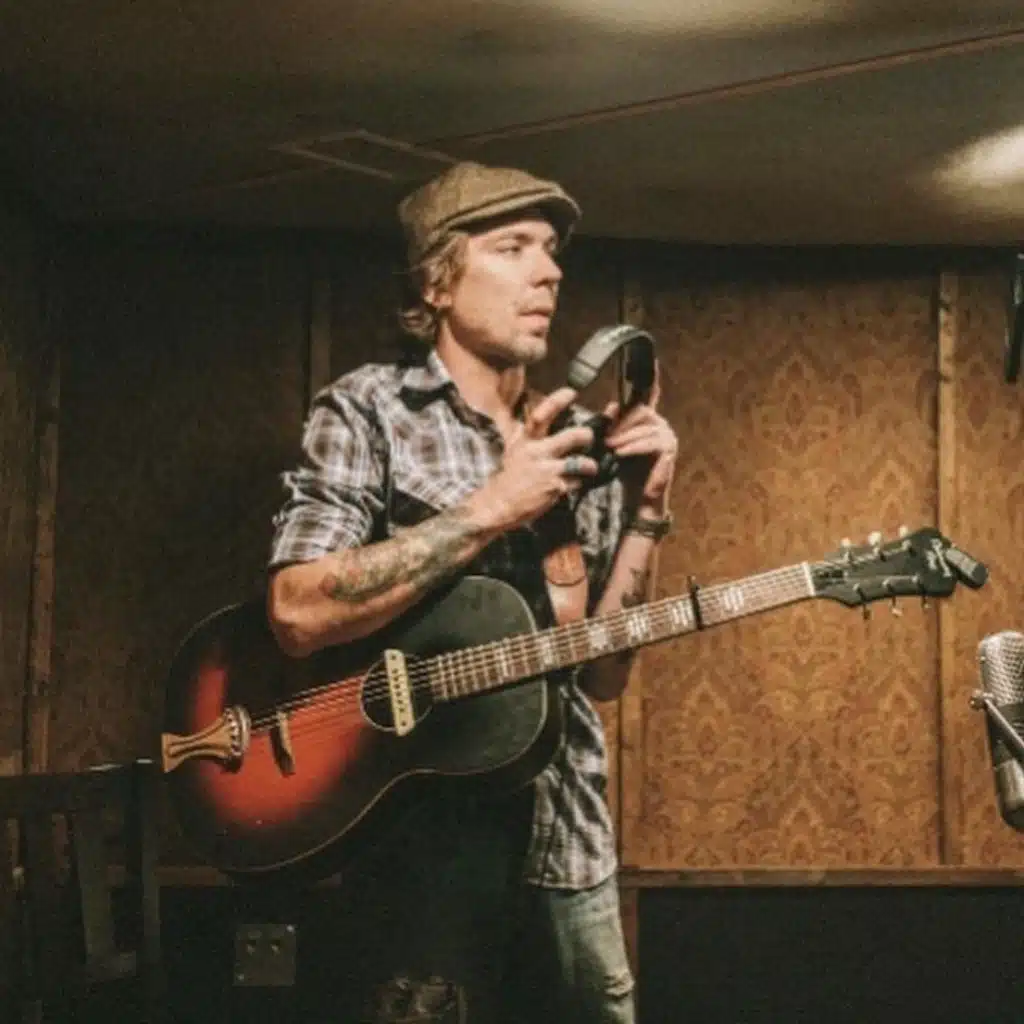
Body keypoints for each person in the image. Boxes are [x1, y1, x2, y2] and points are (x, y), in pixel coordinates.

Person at [266, 160, 678, 1023]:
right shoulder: (368, 410)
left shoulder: (579, 442)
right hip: (423, 849)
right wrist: (492, 508)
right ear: (437, 283)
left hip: (570, 841)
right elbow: (298, 612)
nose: (549, 272)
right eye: (513, 247)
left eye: (552, 251)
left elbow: (603, 676)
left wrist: (647, 512)